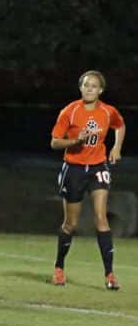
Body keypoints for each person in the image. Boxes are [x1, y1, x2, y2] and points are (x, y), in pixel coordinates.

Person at [50, 70, 125, 290]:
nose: (89, 89)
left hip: (98, 167)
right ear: (80, 88)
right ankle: (59, 267)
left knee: (101, 218)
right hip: (73, 169)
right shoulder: (70, 111)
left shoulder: (107, 111)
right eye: (86, 85)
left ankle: (110, 275)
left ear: (101, 90)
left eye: (94, 86)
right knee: (70, 223)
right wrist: (74, 141)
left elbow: (119, 125)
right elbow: (55, 142)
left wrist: (116, 147)